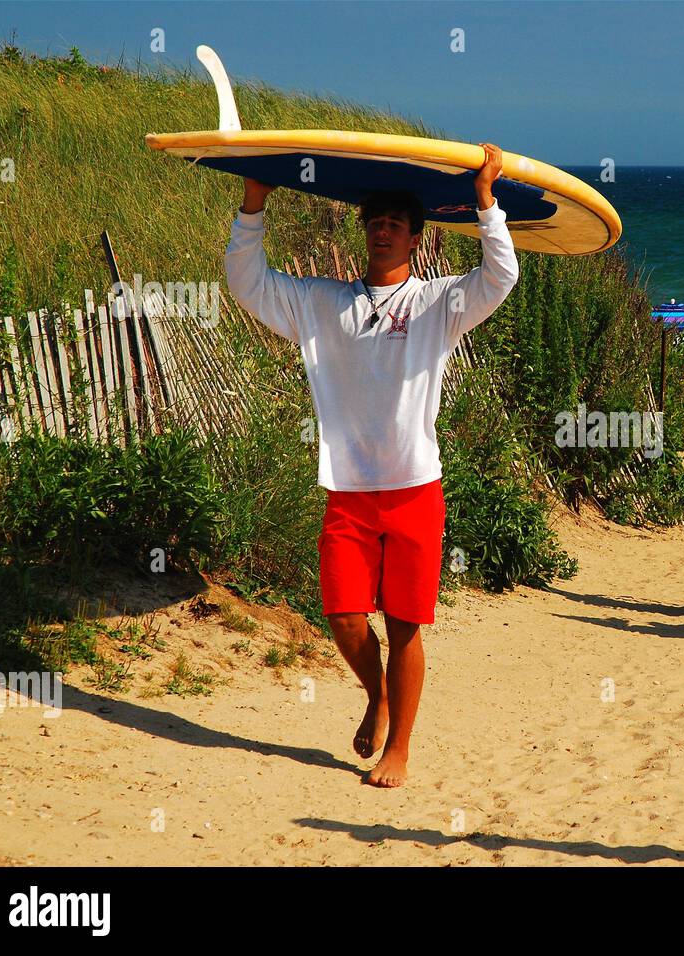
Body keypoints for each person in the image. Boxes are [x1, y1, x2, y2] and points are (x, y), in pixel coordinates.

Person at [225, 146, 518, 788]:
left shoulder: (440, 304)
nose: (382, 227)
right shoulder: (323, 305)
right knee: (343, 618)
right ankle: (377, 693)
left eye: (394, 221)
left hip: (415, 489)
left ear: (416, 236)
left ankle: (401, 749)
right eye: (373, 219)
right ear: (365, 231)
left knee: (406, 624)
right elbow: (247, 283)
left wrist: (487, 202)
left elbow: (499, 278)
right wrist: (254, 199)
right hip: (349, 490)